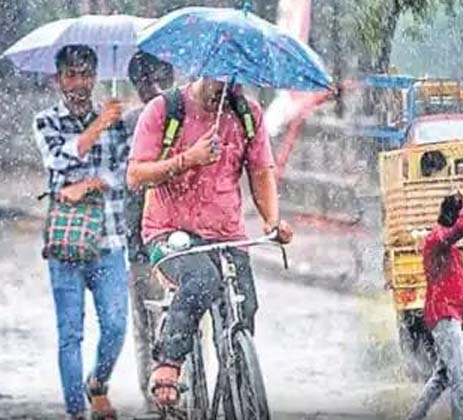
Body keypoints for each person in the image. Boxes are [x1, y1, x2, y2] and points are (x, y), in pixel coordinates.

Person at [126, 76, 293, 406]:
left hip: (227, 234)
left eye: (235, 83)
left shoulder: (248, 114)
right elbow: (135, 176)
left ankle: (234, 403)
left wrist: (273, 221)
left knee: (243, 311)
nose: (226, 91)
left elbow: (260, 172)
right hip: (168, 231)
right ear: (202, 71)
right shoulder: (164, 110)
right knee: (202, 280)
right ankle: (169, 362)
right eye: (219, 81)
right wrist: (188, 158)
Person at [32, 45, 129, 420]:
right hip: (66, 244)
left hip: (110, 240)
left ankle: (98, 383)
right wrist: (97, 126)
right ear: (58, 79)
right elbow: (58, 159)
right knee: (70, 333)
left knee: (116, 325)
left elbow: (124, 174)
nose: (79, 82)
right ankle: (76, 412)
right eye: (71, 74)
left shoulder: (116, 119)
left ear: (95, 76)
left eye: (86, 73)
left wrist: (88, 184)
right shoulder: (46, 120)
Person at [123, 50, 175, 409]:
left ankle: (172, 387)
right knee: (149, 321)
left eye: (159, 79)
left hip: (174, 236)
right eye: (147, 81)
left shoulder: (184, 115)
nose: (154, 87)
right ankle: (154, 395)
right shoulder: (127, 123)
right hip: (143, 237)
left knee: (173, 318)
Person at [406, 191, 463, 420]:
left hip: (448, 314)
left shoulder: (450, 250)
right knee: (462, 378)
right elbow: (461, 229)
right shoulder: (436, 239)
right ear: (455, 215)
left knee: (442, 376)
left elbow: (457, 289)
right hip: (442, 315)